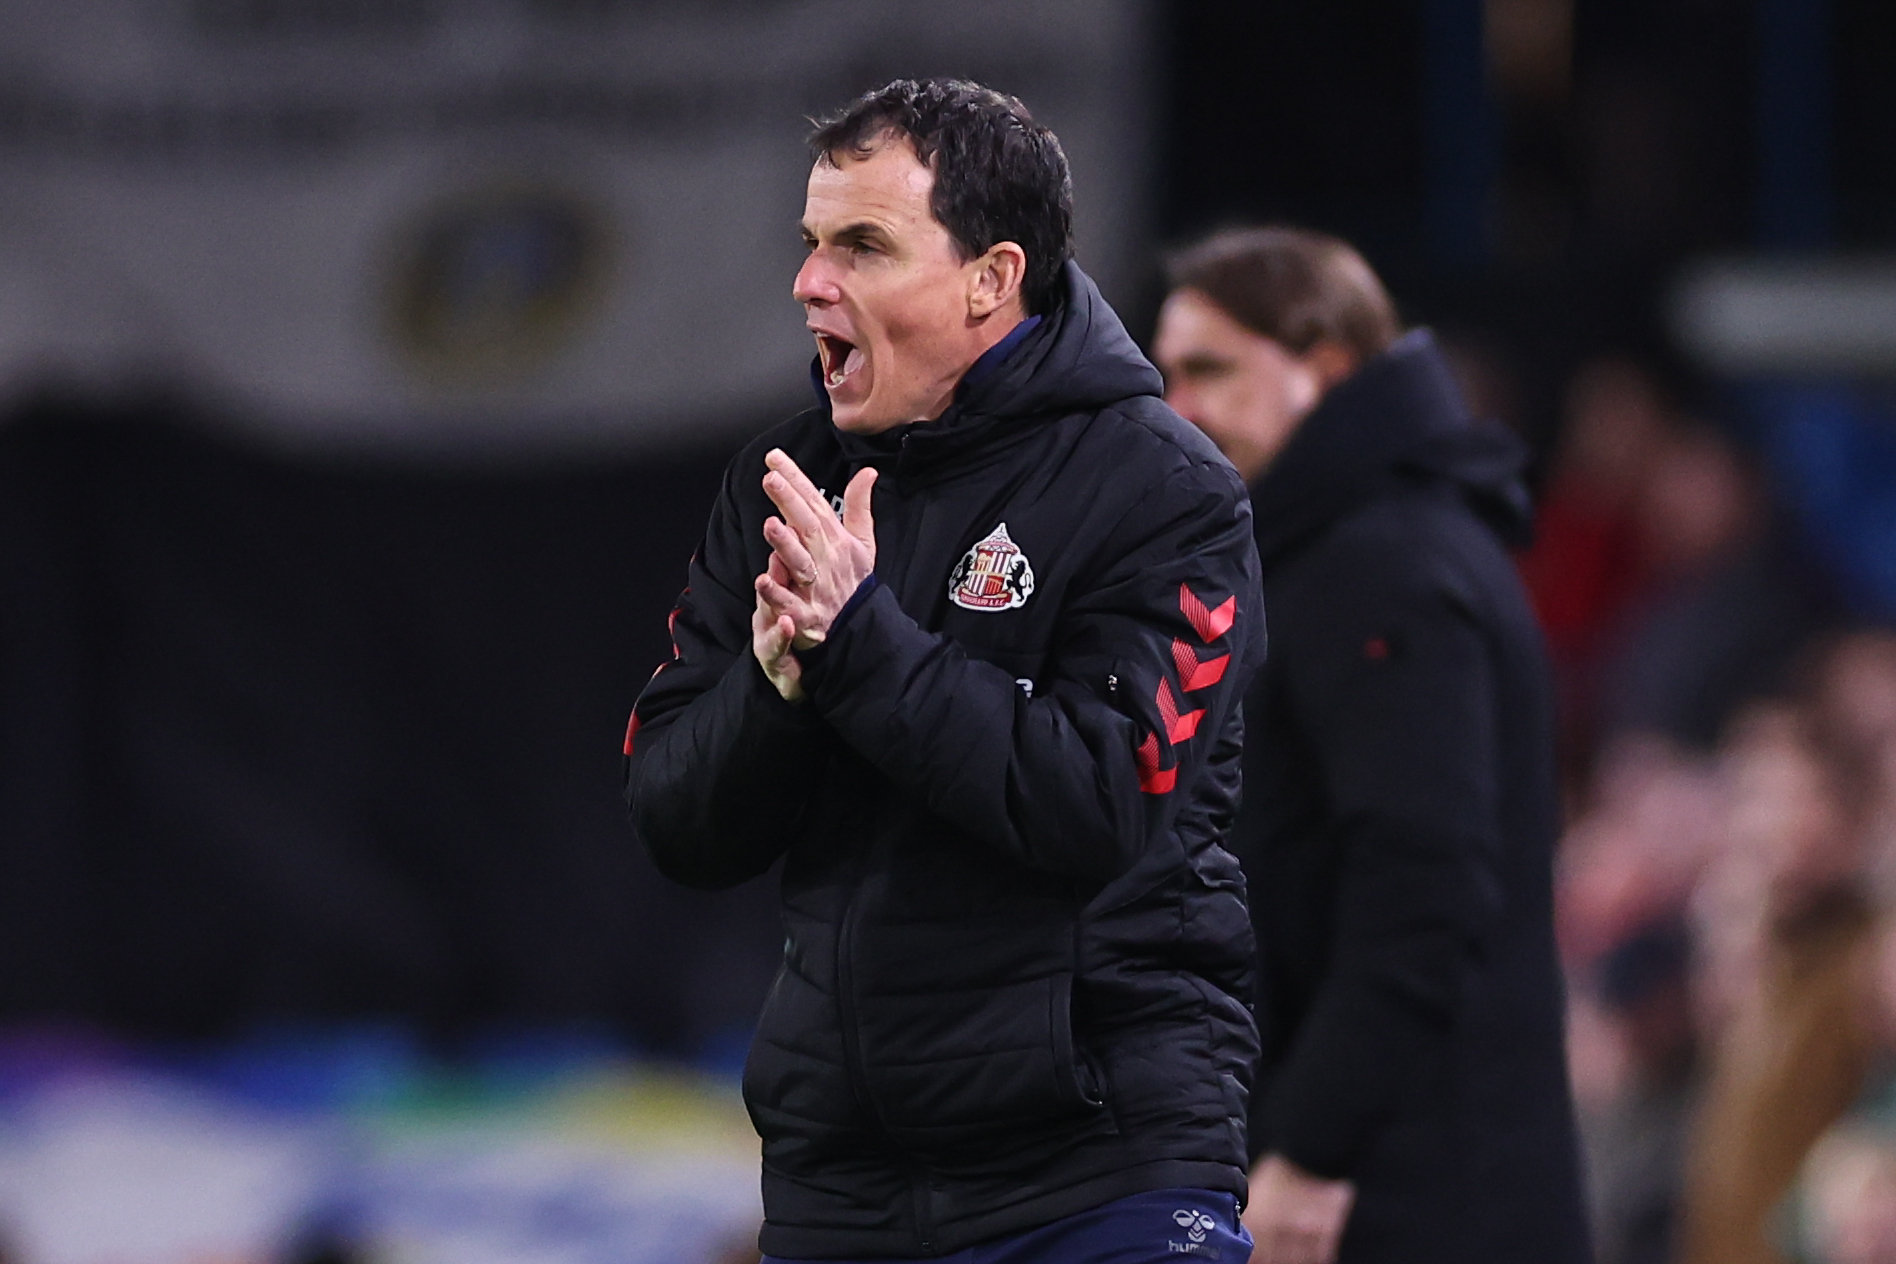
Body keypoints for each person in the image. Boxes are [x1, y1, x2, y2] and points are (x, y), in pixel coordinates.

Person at [623, 80, 1267, 1263]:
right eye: (812, 242)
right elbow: (675, 820)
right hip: (844, 1185)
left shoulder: (1162, 489)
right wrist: (776, 690)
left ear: (991, 278)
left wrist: (860, 641)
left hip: (1099, 1170)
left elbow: (1099, 799)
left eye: (863, 245)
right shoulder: (781, 487)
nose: (810, 282)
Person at [1153, 226, 1590, 1264]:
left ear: (1329, 368)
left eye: (1212, 370)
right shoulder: (1343, 548)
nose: (1180, 409)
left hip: (1411, 1194)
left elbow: (1422, 892)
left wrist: (1313, 1148)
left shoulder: (1381, 566)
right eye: (1168, 375)